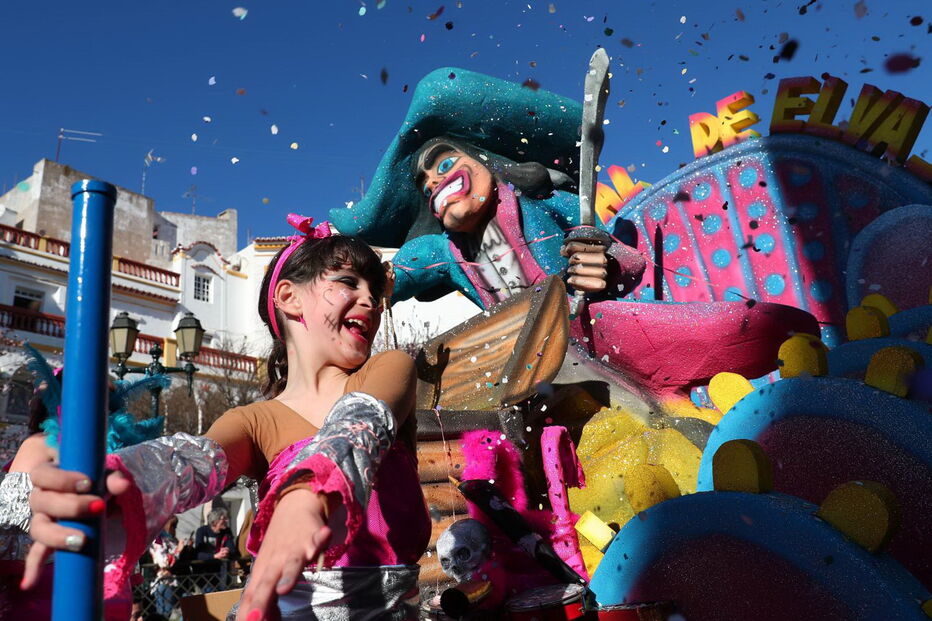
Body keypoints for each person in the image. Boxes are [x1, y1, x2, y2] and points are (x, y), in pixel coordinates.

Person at [23, 217, 431, 621]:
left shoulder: (389, 369)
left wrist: (309, 490)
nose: (371, 300)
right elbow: (191, 462)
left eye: (375, 290)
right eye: (348, 282)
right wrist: (116, 482)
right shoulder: (255, 421)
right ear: (288, 296)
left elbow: (360, 423)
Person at [328, 68, 820, 399]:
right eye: (424, 183)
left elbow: (627, 259)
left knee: (709, 349)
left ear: (485, 161)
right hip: (517, 359)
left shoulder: (542, 202)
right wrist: (357, 279)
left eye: (442, 165)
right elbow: (401, 273)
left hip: (589, 330)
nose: (434, 182)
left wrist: (601, 262)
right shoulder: (446, 250)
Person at [192, 508, 238, 593]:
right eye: (223, 519)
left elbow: (232, 550)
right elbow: (198, 554)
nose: (226, 521)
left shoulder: (227, 531)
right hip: (206, 576)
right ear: (214, 522)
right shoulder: (202, 531)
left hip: (223, 574)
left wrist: (226, 551)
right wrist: (215, 556)